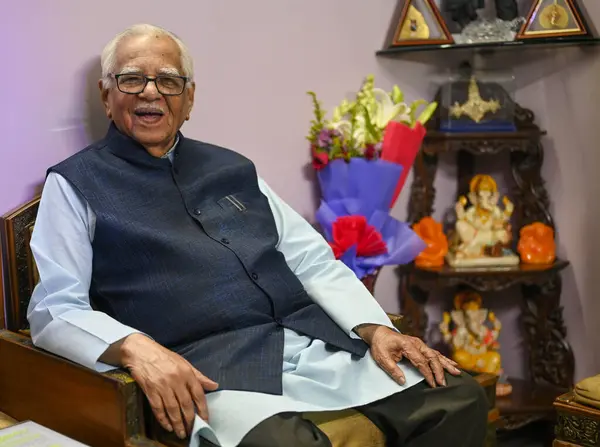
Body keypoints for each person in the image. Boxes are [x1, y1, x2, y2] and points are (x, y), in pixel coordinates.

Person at [27, 24, 488, 447]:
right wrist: (138, 348)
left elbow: (309, 260)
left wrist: (376, 328)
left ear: (189, 100)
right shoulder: (74, 184)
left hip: (307, 344)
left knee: (457, 397)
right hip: (206, 369)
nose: (151, 92)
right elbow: (55, 307)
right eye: (131, 79)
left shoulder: (232, 167)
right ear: (106, 95)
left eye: (169, 81)